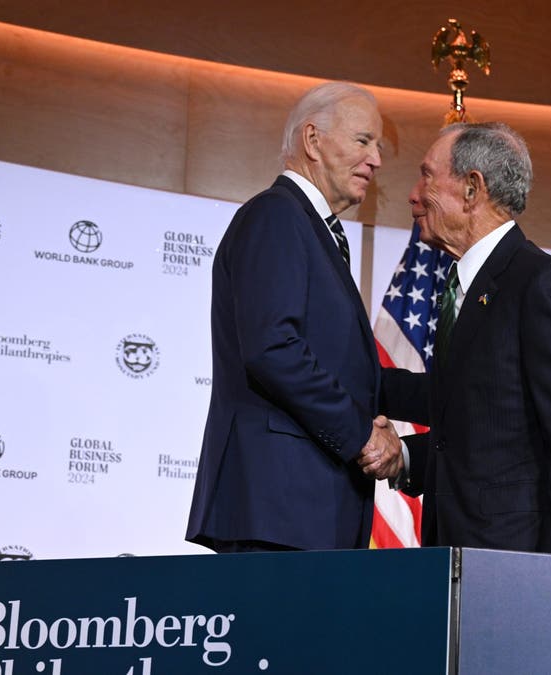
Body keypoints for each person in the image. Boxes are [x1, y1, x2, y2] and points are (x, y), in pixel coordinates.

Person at [381, 122, 551, 556]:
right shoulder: (465, 287)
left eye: (428, 175)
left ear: (472, 188)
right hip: (451, 561)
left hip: (514, 569)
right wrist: (357, 387)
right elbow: (478, 421)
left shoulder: (542, 286)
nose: (413, 194)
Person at [187, 82, 402, 553]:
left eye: (378, 147)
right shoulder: (276, 217)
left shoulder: (312, 229)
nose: (377, 160)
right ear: (312, 141)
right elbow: (272, 349)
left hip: (303, 511)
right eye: (364, 141)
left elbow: (342, 369)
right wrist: (362, 434)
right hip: (275, 507)